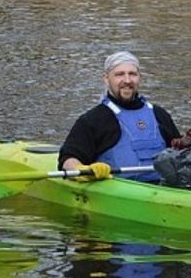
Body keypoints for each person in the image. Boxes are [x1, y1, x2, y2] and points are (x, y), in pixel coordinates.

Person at [59, 51, 182, 183]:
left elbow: (182, 155)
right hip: (117, 191)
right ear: (106, 79)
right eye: (119, 74)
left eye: (132, 74)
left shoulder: (159, 114)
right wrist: (83, 170)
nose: (127, 80)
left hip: (164, 188)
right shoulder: (94, 119)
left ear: (140, 78)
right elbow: (67, 159)